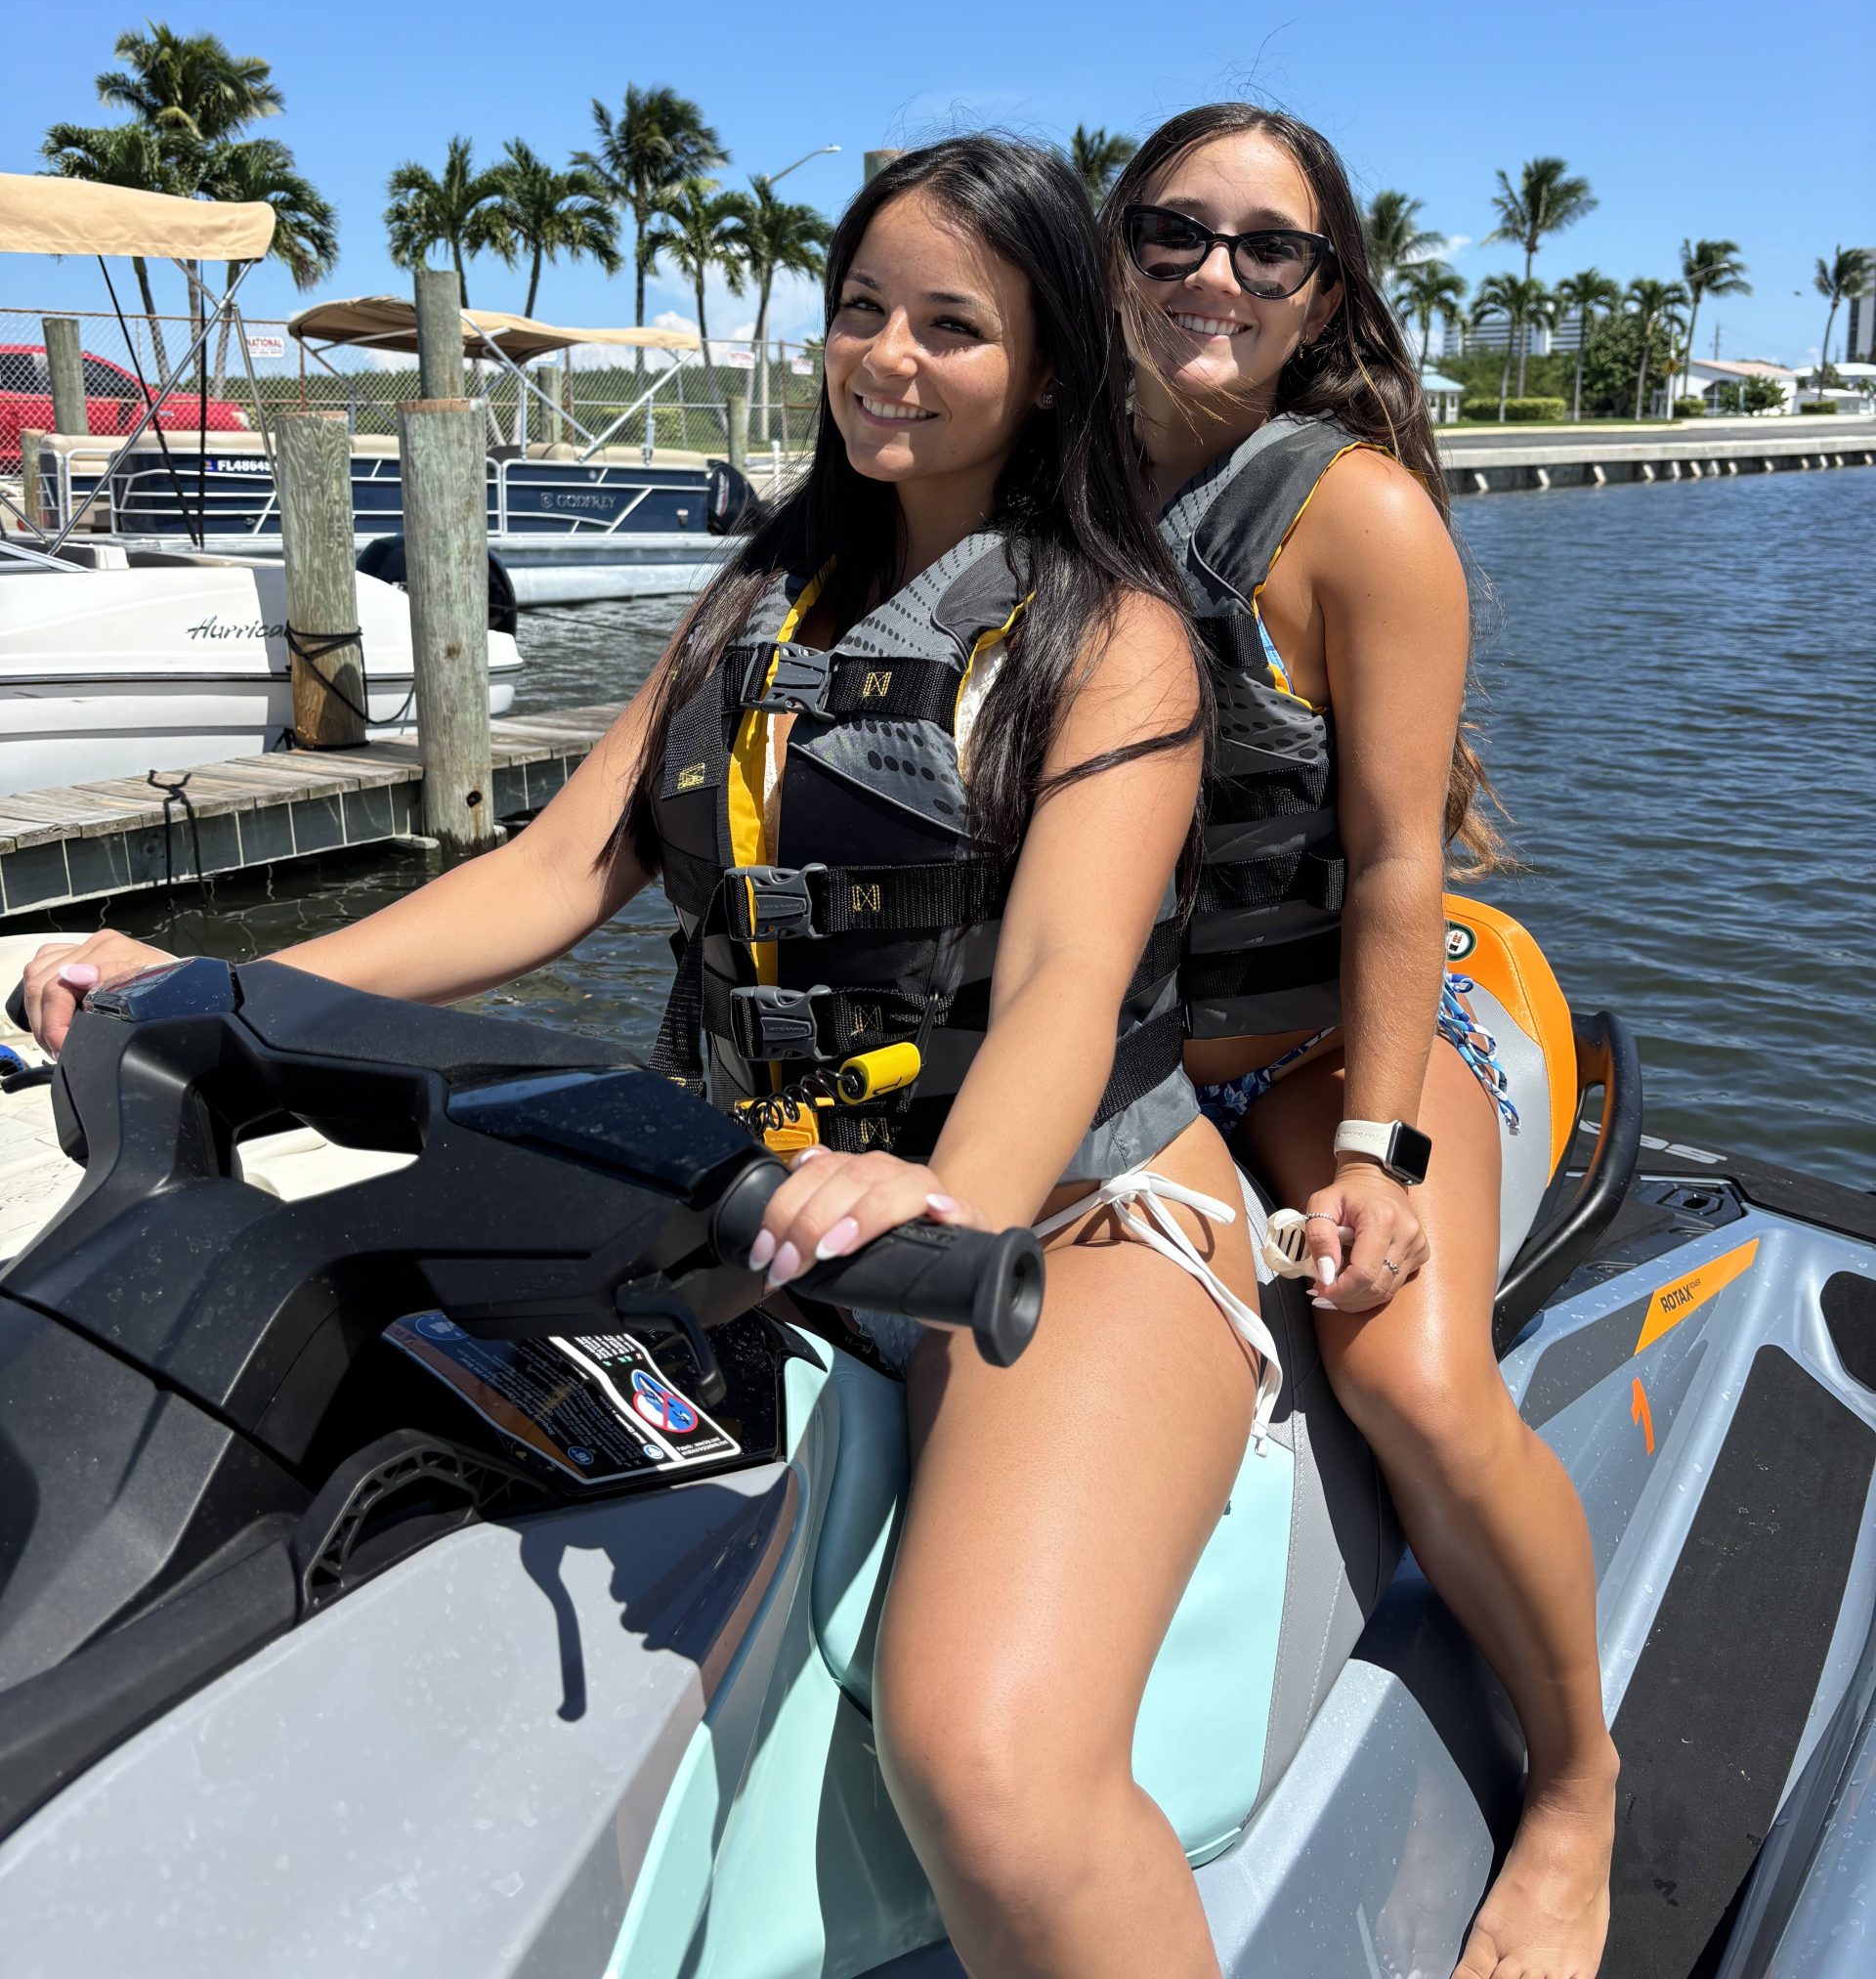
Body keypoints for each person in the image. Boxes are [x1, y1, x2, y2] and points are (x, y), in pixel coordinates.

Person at [26, 139, 1276, 1979]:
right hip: (762, 1194)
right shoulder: (764, 595)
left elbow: (1066, 986)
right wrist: (223, 984)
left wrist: (947, 1198)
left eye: (951, 326)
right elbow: (554, 872)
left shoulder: (1117, 636)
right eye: (862, 309)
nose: (887, 358)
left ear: (1047, 374)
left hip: (1065, 1229)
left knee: (990, 1765)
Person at [1104, 103, 1618, 1979]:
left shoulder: (1356, 518)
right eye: (1174, 231)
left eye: (1270, 248)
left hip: (1347, 1040)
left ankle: (1578, 1786)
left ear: (1323, 296)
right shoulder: (1052, 493)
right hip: (1131, 1073)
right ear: (1113, 255)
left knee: (1406, 1379)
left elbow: (1401, 866)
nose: (1215, 275)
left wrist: (1379, 1152)